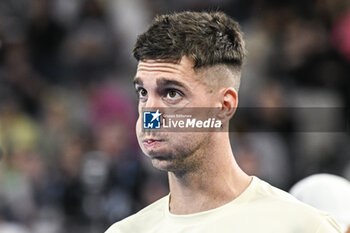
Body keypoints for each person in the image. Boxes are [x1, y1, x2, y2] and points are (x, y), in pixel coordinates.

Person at [105, 11, 342, 233]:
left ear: (224, 106)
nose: (150, 116)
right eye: (143, 93)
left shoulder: (302, 227)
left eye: (172, 93)